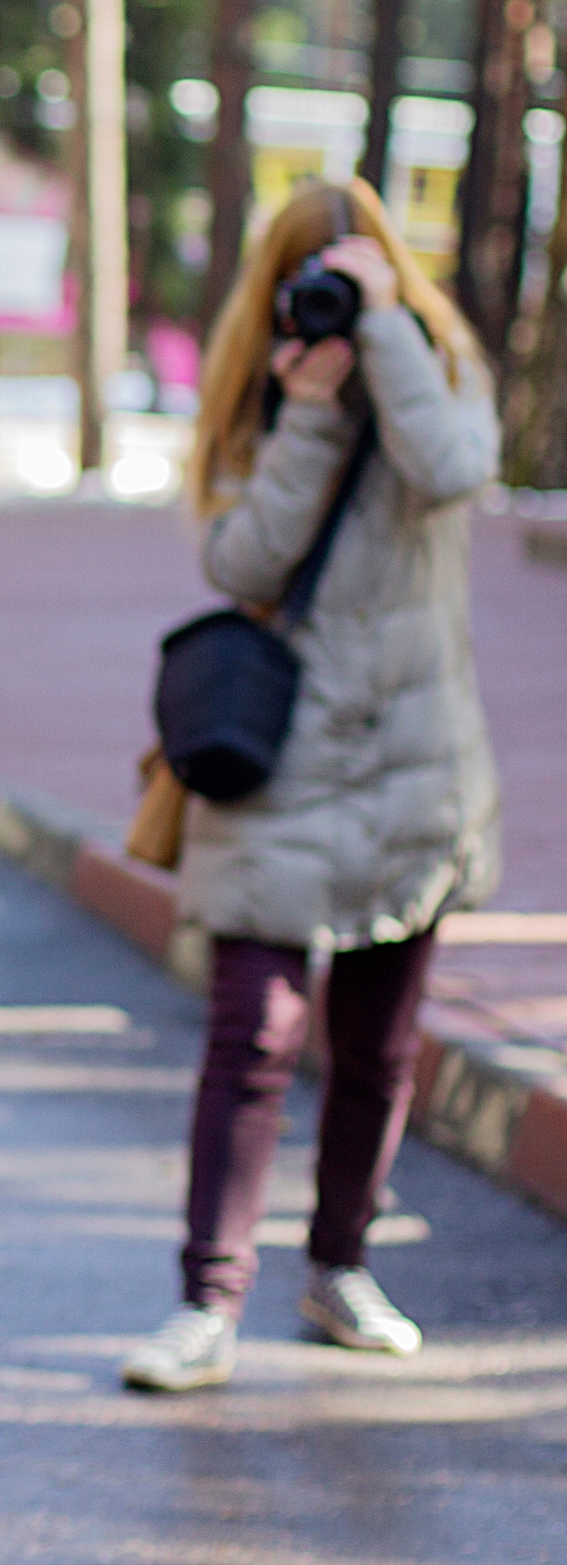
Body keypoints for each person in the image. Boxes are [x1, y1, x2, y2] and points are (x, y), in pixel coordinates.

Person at [122, 178, 499, 1392]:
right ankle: (206, 1302)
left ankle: (338, 1267)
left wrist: (385, 335)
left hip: (413, 754)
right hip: (277, 756)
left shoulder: (433, 360)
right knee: (253, 1034)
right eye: (306, 282)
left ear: (388, 269)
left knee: (379, 1047)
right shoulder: (259, 393)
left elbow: (452, 472)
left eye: (346, 275)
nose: (324, 303)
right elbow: (239, 558)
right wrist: (307, 416)